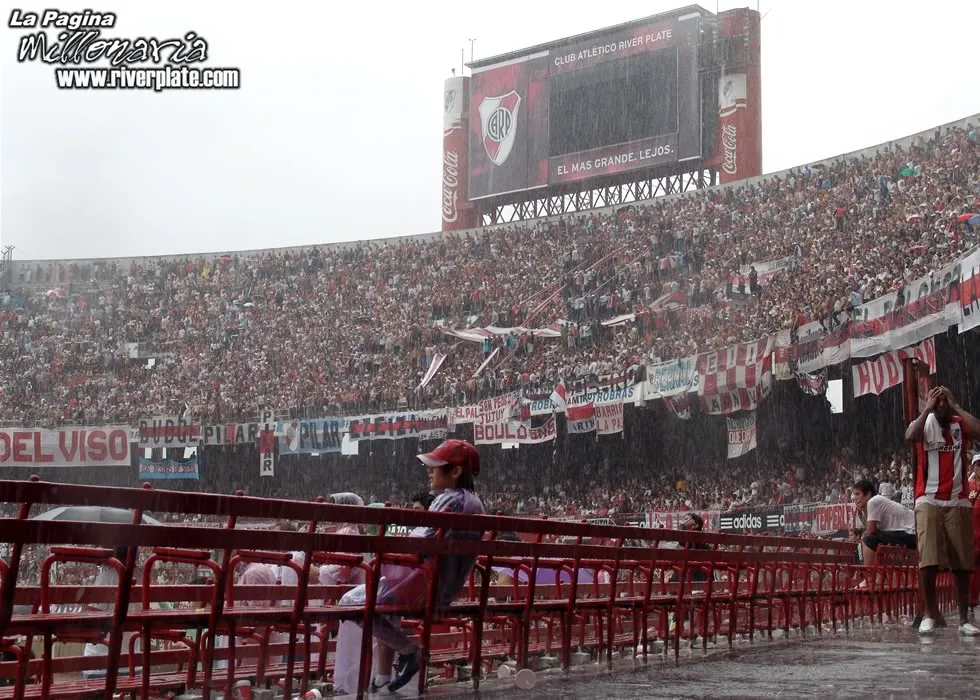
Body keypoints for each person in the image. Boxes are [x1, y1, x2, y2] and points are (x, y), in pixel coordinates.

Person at [334, 439, 485, 694]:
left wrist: (388, 545)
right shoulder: (475, 503)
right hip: (444, 585)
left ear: (456, 471)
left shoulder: (449, 500)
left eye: (436, 467)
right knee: (379, 604)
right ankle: (383, 676)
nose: (430, 471)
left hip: (424, 585)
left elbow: (420, 542)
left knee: (349, 603)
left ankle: (408, 651)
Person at [904, 386, 980, 635]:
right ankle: (929, 613)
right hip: (928, 499)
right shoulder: (924, 423)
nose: (941, 406)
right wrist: (926, 407)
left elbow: (979, 430)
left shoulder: (959, 423)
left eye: (944, 402)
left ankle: (963, 620)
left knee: (962, 561)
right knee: (928, 558)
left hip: (957, 499)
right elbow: (909, 436)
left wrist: (956, 404)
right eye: (937, 403)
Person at [851, 479, 915, 570]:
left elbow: (870, 530)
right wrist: (864, 510)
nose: (855, 498)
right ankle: (878, 576)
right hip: (910, 534)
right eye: (854, 495)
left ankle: (869, 576)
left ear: (868, 494)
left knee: (869, 539)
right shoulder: (876, 501)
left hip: (910, 533)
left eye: (858, 494)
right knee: (872, 538)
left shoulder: (873, 501)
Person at [969, 455, 980, 616]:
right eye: (978, 465)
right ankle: (971, 602)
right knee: (973, 569)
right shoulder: (968, 486)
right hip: (972, 534)